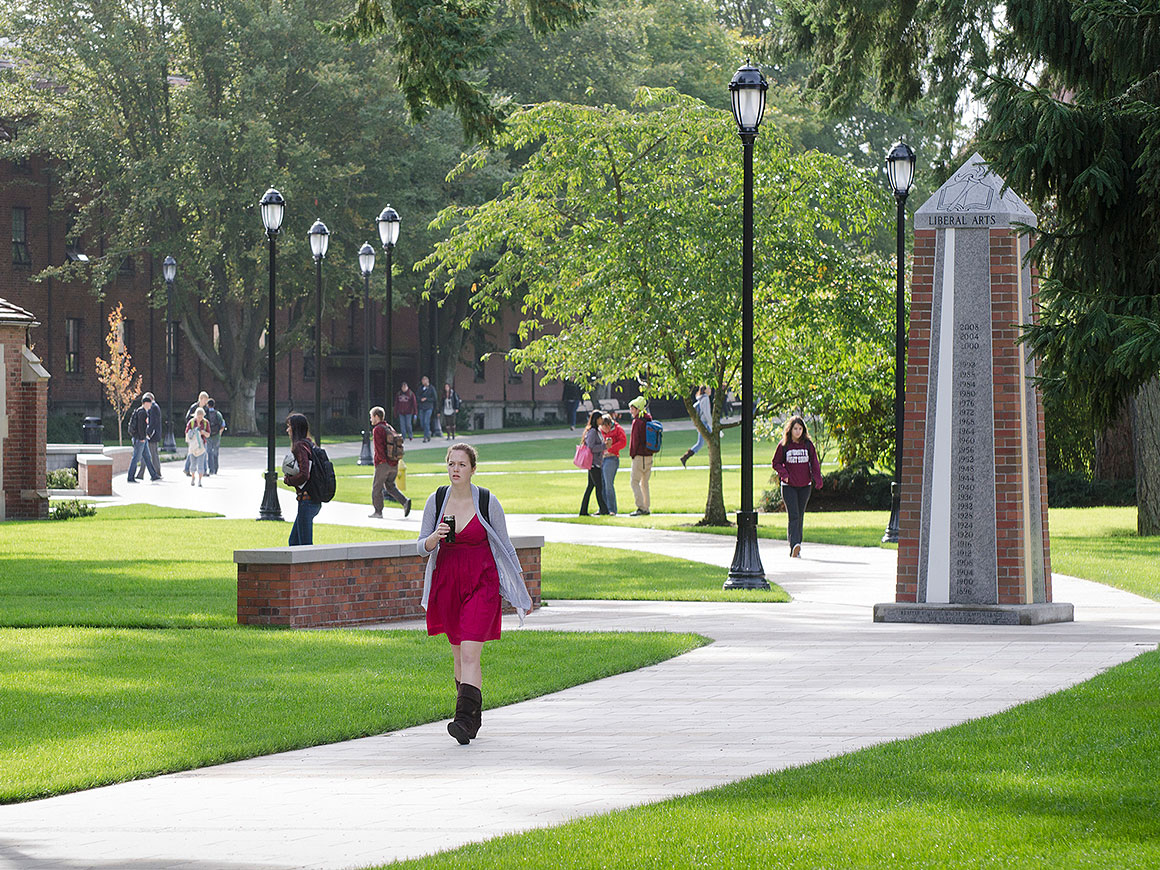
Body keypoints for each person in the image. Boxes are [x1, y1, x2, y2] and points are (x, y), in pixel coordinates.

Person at [417, 443, 532, 744]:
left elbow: (506, 546)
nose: (455, 469)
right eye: (451, 464)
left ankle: (463, 720)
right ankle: (473, 718)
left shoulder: (486, 500)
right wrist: (433, 538)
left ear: (472, 469)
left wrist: (522, 590)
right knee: (458, 655)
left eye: (462, 465)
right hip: (448, 583)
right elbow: (420, 546)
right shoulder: (437, 499)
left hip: (482, 582)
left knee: (470, 652)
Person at [771, 415, 824, 558]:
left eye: (800, 429)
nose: (798, 431)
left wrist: (817, 479)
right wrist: (784, 474)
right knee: (793, 515)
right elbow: (775, 463)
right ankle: (794, 544)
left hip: (805, 485)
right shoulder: (784, 445)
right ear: (790, 429)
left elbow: (814, 463)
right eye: (795, 428)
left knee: (800, 516)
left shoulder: (808, 445)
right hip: (789, 486)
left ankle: (797, 546)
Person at [282, 413, 321, 546]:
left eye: (289, 427)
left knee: (304, 546)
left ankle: (309, 568)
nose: (287, 430)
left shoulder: (299, 446)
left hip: (307, 500)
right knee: (294, 541)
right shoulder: (310, 444)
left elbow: (304, 474)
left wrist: (288, 480)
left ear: (295, 428)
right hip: (313, 499)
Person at [369, 406, 412, 518]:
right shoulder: (389, 427)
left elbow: (379, 448)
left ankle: (378, 512)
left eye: (371, 416)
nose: (371, 419)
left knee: (377, 488)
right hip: (394, 463)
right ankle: (405, 502)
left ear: (377, 417)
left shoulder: (377, 429)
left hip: (383, 464)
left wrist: (380, 462)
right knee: (390, 487)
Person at [628, 396, 655, 516]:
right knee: (645, 483)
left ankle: (640, 507)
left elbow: (634, 441)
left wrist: (632, 454)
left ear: (638, 409)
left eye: (632, 409)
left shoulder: (637, 422)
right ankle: (646, 507)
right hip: (649, 456)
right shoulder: (649, 420)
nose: (631, 411)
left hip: (639, 456)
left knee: (634, 482)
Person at [579, 409, 609, 516]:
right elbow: (591, 447)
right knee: (599, 487)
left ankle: (583, 511)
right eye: (600, 418)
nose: (602, 420)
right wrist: (604, 446)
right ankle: (604, 510)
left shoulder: (597, 431)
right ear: (596, 419)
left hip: (596, 462)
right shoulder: (592, 432)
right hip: (593, 463)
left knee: (591, 487)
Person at [126, 394, 159, 483]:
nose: (151, 405)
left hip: (142, 439)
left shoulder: (142, 411)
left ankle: (154, 475)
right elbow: (141, 427)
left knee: (147, 457)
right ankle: (130, 477)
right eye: (150, 403)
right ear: (145, 403)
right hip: (140, 439)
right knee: (136, 458)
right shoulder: (142, 412)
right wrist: (142, 437)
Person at [680, 385, 713, 468]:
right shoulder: (705, 399)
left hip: (702, 423)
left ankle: (712, 460)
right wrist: (711, 423)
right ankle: (685, 457)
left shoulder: (702, 398)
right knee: (701, 443)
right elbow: (706, 414)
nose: (710, 390)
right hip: (704, 423)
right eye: (709, 388)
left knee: (711, 441)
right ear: (705, 390)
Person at [600, 412, 625, 516]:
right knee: (602, 485)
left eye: (604, 426)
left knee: (608, 484)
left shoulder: (618, 429)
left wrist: (611, 448)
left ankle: (612, 509)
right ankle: (603, 508)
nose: (603, 429)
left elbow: (623, 442)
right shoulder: (600, 431)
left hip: (611, 458)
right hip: (601, 459)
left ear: (609, 425)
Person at [183, 391, 210, 476]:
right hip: (194, 435)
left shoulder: (206, 409)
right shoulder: (194, 407)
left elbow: (208, 420)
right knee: (192, 452)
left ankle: (204, 471)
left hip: (202, 434)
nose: (206, 402)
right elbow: (188, 418)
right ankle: (187, 469)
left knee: (203, 451)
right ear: (201, 399)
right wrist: (193, 428)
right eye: (205, 400)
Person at [184, 407, 210, 487]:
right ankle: (192, 477)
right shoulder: (191, 422)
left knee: (201, 464)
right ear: (195, 415)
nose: (200, 419)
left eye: (201, 417)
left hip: (201, 446)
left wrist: (203, 432)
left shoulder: (205, 423)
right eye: (198, 417)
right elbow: (187, 433)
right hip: (192, 447)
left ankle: (200, 481)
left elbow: (208, 435)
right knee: (193, 464)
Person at [143, 392, 162, 479]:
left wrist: (148, 433)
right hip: (154, 434)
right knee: (151, 454)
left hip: (152, 435)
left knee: (152, 454)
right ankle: (155, 472)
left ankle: (156, 473)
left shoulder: (153, 407)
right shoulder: (155, 406)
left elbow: (152, 422)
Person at [205, 398, 227, 475]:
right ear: (214, 405)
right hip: (216, 435)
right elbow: (223, 424)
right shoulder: (218, 414)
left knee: (209, 452)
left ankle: (211, 469)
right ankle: (215, 469)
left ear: (208, 405)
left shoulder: (206, 414)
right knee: (215, 452)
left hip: (208, 435)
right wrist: (220, 432)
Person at [417, 375, 437, 442]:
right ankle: (428, 433)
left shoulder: (431, 388)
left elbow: (434, 398)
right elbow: (417, 396)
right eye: (422, 380)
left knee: (426, 422)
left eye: (424, 380)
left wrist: (427, 399)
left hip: (429, 407)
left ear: (427, 381)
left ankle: (425, 437)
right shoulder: (420, 388)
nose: (423, 381)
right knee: (422, 423)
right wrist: (420, 399)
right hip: (422, 407)